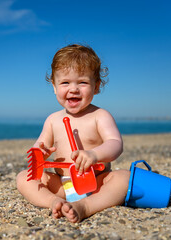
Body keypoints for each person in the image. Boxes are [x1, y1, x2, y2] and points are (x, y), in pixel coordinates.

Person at [16, 44, 130, 223]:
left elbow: (115, 143)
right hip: (62, 184)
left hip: (97, 183)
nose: (74, 89)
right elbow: (38, 146)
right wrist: (41, 151)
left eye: (82, 82)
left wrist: (94, 154)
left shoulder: (100, 116)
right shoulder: (53, 120)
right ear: (54, 86)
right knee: (23, 178)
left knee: (124, 178)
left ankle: (87, 206)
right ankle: (54, 201)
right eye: (65, 82)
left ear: (97, 86)